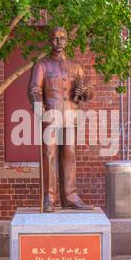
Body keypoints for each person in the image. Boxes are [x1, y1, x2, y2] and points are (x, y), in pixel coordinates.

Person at [28, 27, 94, 212]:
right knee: (49, 155)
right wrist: (38, 106)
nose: (59, 42)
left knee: (69, 155)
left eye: (62, 38)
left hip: (70, 116)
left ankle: (70, 197)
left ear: (67, 41)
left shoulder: (76, 67)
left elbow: (87, 91)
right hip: (50, 116)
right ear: (50, 40)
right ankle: (49, 198)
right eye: (55, 38)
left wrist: (85, 92)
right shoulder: (42, 65)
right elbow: (34, 89)